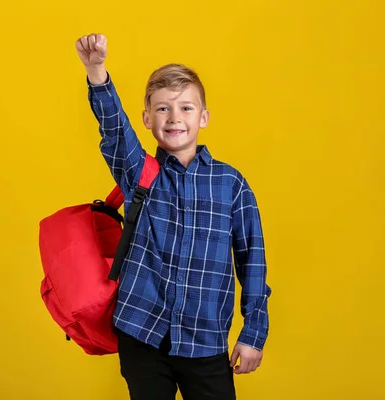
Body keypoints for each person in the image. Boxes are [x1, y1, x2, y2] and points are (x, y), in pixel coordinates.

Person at [75, 33, 272, 400]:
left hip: (206, 341)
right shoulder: (140, 173)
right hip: (142, 334)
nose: (174, 117)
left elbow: (253, 262)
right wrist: (96, 70)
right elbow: (115, 132)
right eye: (163, 108)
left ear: (204, 117)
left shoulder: (231, 184)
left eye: (186, 107)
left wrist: (253, 332)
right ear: (147, 117)